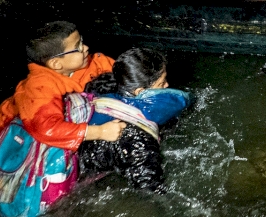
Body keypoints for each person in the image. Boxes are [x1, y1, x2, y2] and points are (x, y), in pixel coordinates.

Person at [0, 21, 126, 155]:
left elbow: (129, 75)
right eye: (77, 47)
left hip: (37, 123)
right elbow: (46, 129)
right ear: (56, 64)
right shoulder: (39, 87)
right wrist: (100, 132)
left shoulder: (92, 63)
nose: (86, 48)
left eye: (82, 41)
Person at [79, 47, 192, 194]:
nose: (167, 86)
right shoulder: (135, 139)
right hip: (86, 182)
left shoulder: (105, 86)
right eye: (161, 83)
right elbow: (150, 188)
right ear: (140, 93)